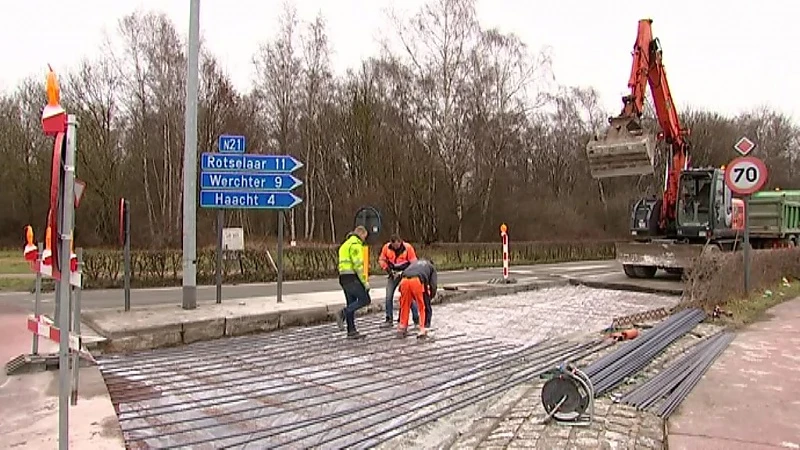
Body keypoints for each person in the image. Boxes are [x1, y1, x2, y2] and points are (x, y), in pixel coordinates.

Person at [335, 225, 371, 339]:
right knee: (365, 299)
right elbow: (358, 266)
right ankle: (343, 313)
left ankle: (351, 331)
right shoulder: (356, 245)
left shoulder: (344, 245)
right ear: (361, 234)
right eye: (365, 237)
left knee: (351, 303)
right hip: (352, 277)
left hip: (343, 277)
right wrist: (365, 283)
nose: (365, 239)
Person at [378, 234, 418, 328]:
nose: (395, 248)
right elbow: (381, 260)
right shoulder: (387, 248)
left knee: (408, 296)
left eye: (396, 246)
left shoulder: (408, 248)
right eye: (393, 246)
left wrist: (405, 273)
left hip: (405, 275)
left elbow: (414, 263)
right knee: (388, 296)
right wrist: (388, 270)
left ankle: (416, 318)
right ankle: (389, 319)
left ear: (400, 242)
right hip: (393, 274)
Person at [396, 258, 437, 338]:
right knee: (422, 307)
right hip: (417, 281)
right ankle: (423, 328)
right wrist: (430, 297)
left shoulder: (415, 263)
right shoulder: (431, 268)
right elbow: (433, 285)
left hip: (404, 280)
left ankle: (402, 328)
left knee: (405, 305)